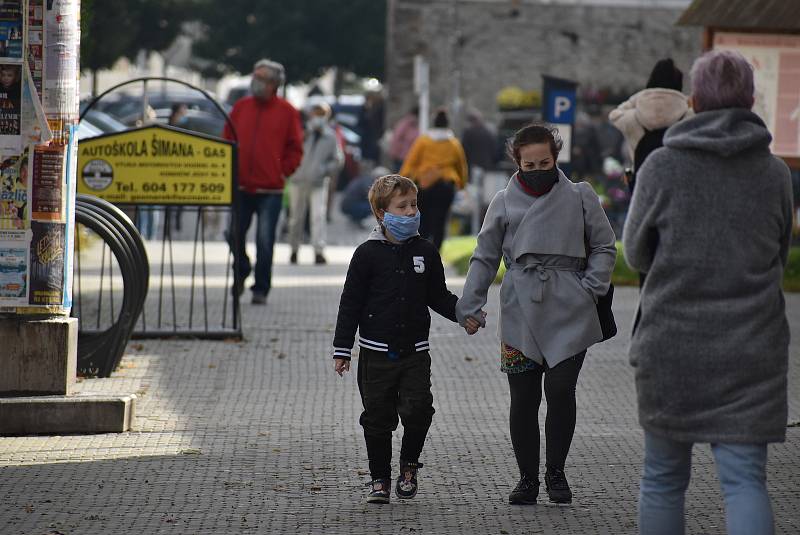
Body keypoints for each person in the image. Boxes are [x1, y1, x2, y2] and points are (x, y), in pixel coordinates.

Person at [623, 50, 793, 535]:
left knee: (662, 479)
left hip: (671, 345)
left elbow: (635, 254)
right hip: (751, 350)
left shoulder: (660, 168)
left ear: (693, 101)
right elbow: (778, 261)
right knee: (745, 482)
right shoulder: (775, 174)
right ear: (752, 101)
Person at [456, 123, 616, 506]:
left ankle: (556, 472)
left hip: (571, 307)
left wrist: (590, 287)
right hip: (519, 307)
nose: (538, 169)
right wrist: (470, 305)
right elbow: (484, 256)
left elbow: (604, 246)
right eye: (530, 164)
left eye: (545, 161)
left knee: (561, 390)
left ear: (556, 157)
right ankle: (527, 478)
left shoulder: (581, 196)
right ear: (518, 162)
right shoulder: (502, 201)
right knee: (523, 398)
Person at [331, 174, 483, 504]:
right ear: (382, 214)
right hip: (375, 354)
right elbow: (351, 303)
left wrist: (462, 314)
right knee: (377, 418)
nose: (412, 212)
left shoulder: (425, 251)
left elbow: (438, 295)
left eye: (414, 205)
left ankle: (409, 467)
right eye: (402, 207)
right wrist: (342, 349)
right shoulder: (366, 254)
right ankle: (380, 480)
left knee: (419, 411)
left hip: (415, 351)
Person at [223, 59, 303, 305]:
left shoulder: (287, 111)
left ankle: (261, 288)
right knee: (232, 234)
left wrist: (283, 171)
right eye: (255, 76)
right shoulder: (241, 107)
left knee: (265, 241)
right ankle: (242, 269)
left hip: (271, 189)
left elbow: (295, 148)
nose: (256, 82)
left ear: (275, 84)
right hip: (240, 186)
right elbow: (226, 140)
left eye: (262, 78)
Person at [609, 58, 691, 193]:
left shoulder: (631, 119)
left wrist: (640, 97)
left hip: (642, 186)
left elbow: (615, 115)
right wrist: (685, 100)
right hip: (679, 186)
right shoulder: (689, 117)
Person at [400, 109, 468, 249]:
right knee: (441, 221)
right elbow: (461, 166)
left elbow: (411, 162)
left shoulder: (423, 141)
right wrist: (462, 184)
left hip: (425, 184)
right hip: (446, 185)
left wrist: (402, 180)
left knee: (423, 220)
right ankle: (436, 252)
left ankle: (421, 250)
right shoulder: (454, 143)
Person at [287, 102, 344, 265]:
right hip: (298, 180)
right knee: (295, 218)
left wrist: (324, 169)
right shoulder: (302, 133)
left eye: (322, 115)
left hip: (318, 182)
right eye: (315, 114)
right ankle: (294, 249)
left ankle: (318, 251)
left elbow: (338, 159)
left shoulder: (330, 136)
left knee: (318, 217)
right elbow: (290, 150)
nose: (318, 118)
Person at [388, 106, 419, 171]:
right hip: (402, 156)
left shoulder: (406, 123)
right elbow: (397, 137)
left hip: (403, 156)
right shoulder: (408, 124)